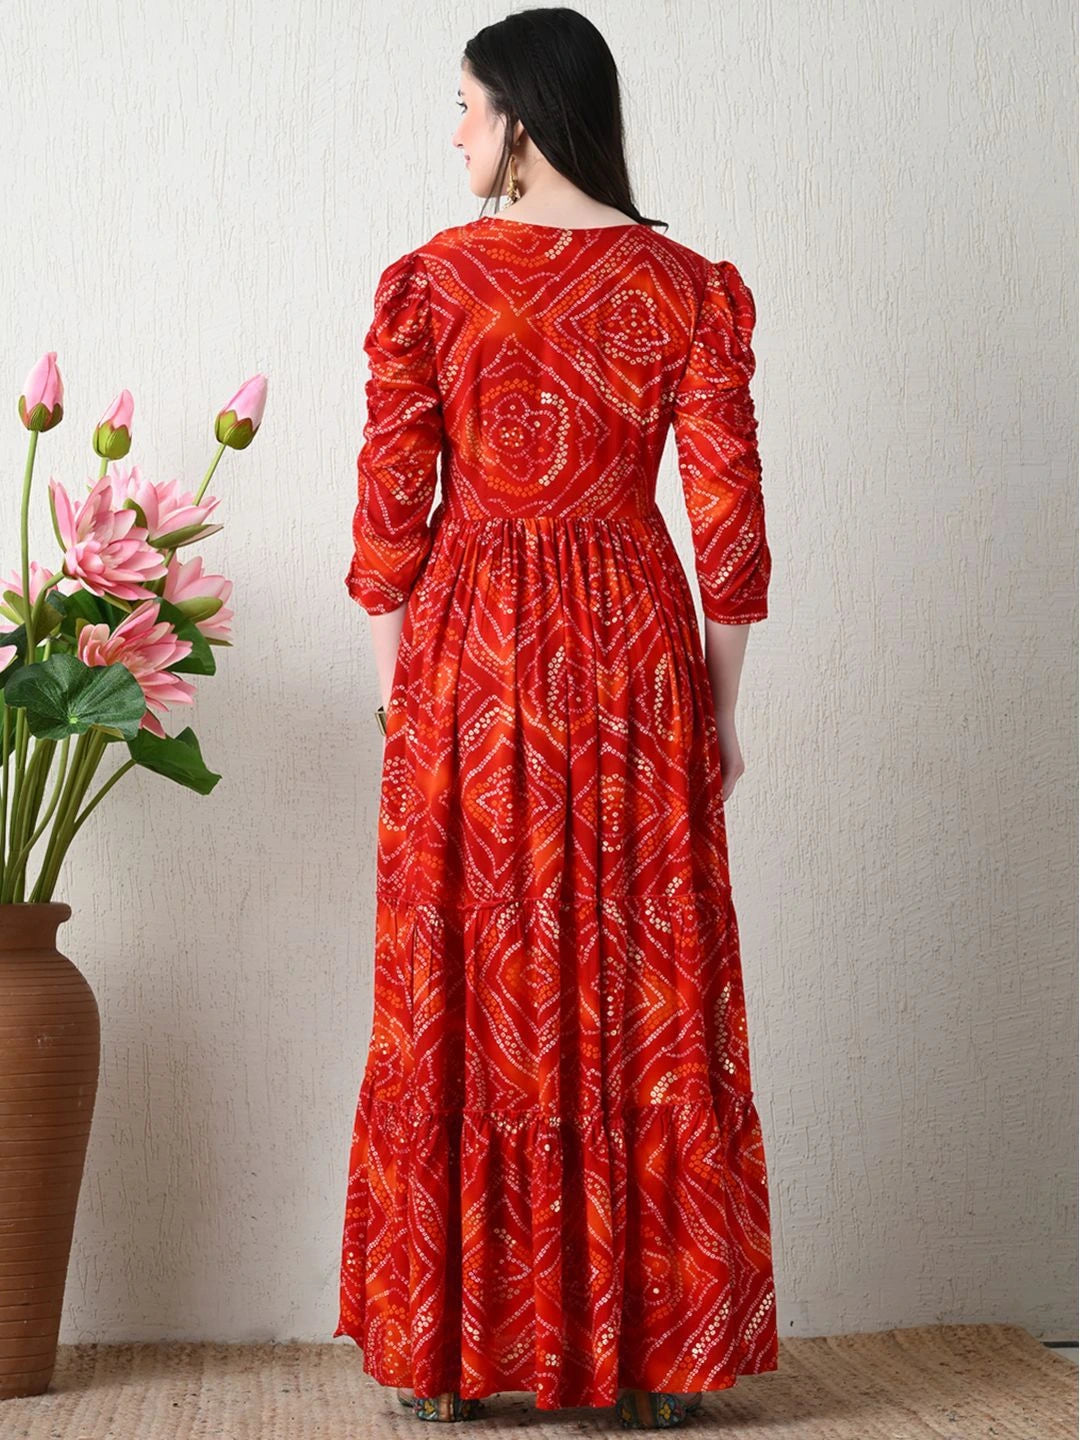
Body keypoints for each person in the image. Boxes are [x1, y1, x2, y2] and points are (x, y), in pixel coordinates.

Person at [333, 6, 779, 1429]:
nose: (454, 132)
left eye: (465, 106)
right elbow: (729, 532)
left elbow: (392, 530)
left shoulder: (430, 289)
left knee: (463, 975)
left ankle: (458, 1357)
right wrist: (718, 712)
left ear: (522, 117)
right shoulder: (687, 290)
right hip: (637, 658)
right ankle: (646, 1360)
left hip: (469, 658)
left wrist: (410, 701)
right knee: (640, 986)